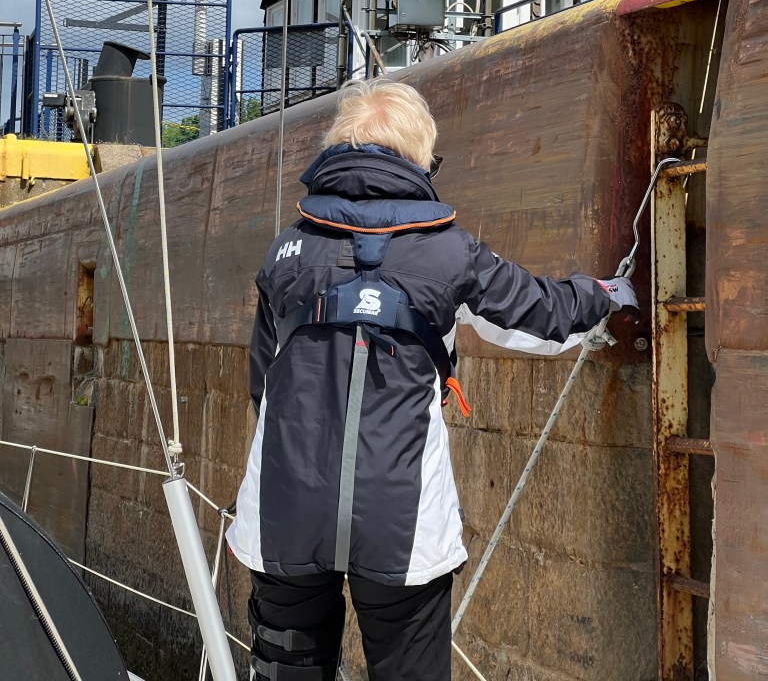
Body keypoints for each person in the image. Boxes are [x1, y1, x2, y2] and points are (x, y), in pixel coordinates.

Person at [227, 78, 637, 681]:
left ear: (337, 148)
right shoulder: (450, 253)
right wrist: (604, 294)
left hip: (283, 511)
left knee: (286, 664)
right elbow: (540, 316)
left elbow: (264, 384)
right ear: (420, 160)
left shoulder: (286, 251)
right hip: (403, 525)